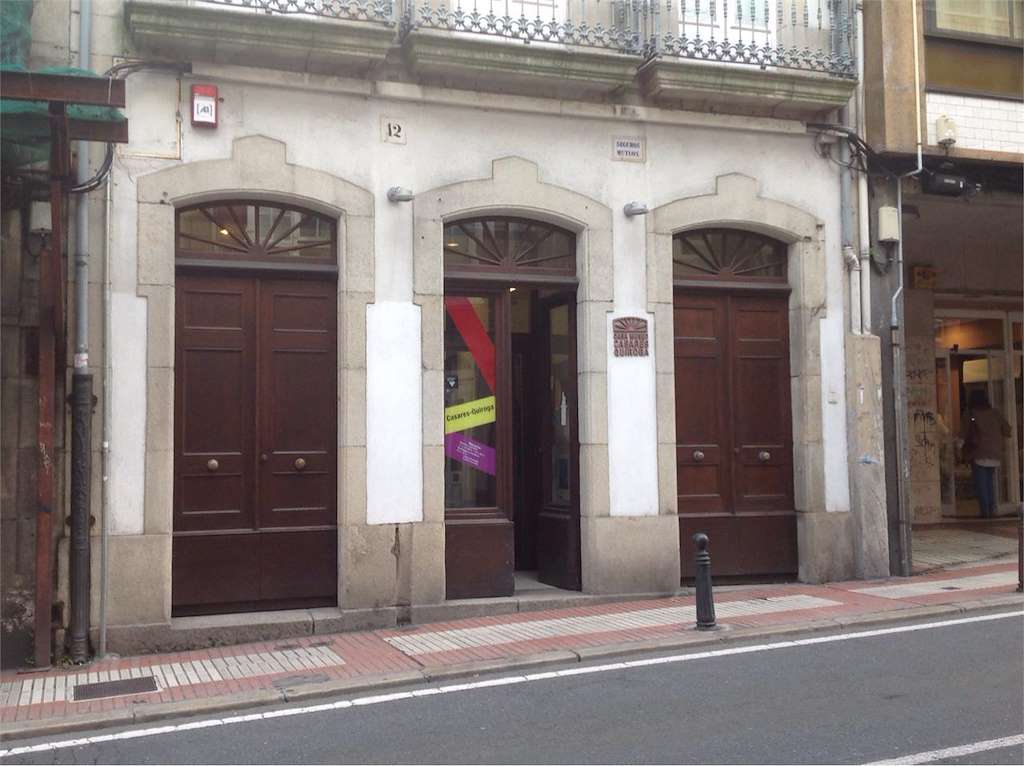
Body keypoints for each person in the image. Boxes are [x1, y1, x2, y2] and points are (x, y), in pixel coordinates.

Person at [959, 389, 1012, 519]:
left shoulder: (970, 413)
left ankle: (985, 511)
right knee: (989, 482)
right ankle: (991, 507)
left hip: (978, 452)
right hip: (995, 452)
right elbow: (1008, 430)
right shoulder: (995, 413)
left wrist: (958, 448)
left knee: (981, 483)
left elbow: (962, 434)